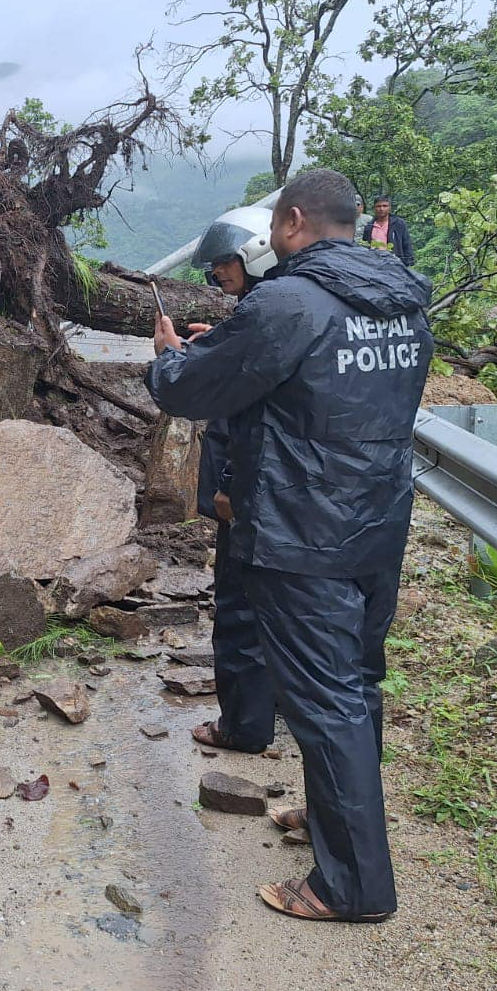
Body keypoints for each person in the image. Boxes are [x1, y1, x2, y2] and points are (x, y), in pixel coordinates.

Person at [144, 168, 434, 923]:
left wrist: (170, 355)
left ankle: (352, 887)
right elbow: (330, 385)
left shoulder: (286, 301)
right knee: (357, 682)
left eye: (275, 225)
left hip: (305, 530)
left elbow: (186, 390)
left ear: (295, 221)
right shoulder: (403, 297)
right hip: (378, 521)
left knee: (324, 699)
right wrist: (237, 346)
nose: (271, 239)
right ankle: (336, 824)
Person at [185, 205, 278, 755]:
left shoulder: (266, 313)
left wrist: (227, 485)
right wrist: (222, 340)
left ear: (255, 255)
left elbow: (247, 421)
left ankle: (242, 725)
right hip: (287, 496)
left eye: (224, 262)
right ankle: (276, 705)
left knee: (240, 603)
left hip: (248, 493)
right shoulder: (272, 311)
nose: (216, 273)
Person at [361, 196, 414, 266]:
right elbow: (365, 245)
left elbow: (406, 243)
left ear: (389, 208)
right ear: (374, 208)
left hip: (395, 263)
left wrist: (408, 262)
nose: (381, 209)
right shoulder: (369, 226)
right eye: (378, 206)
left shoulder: (398, 224)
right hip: (374, 264)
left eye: (385, 206)